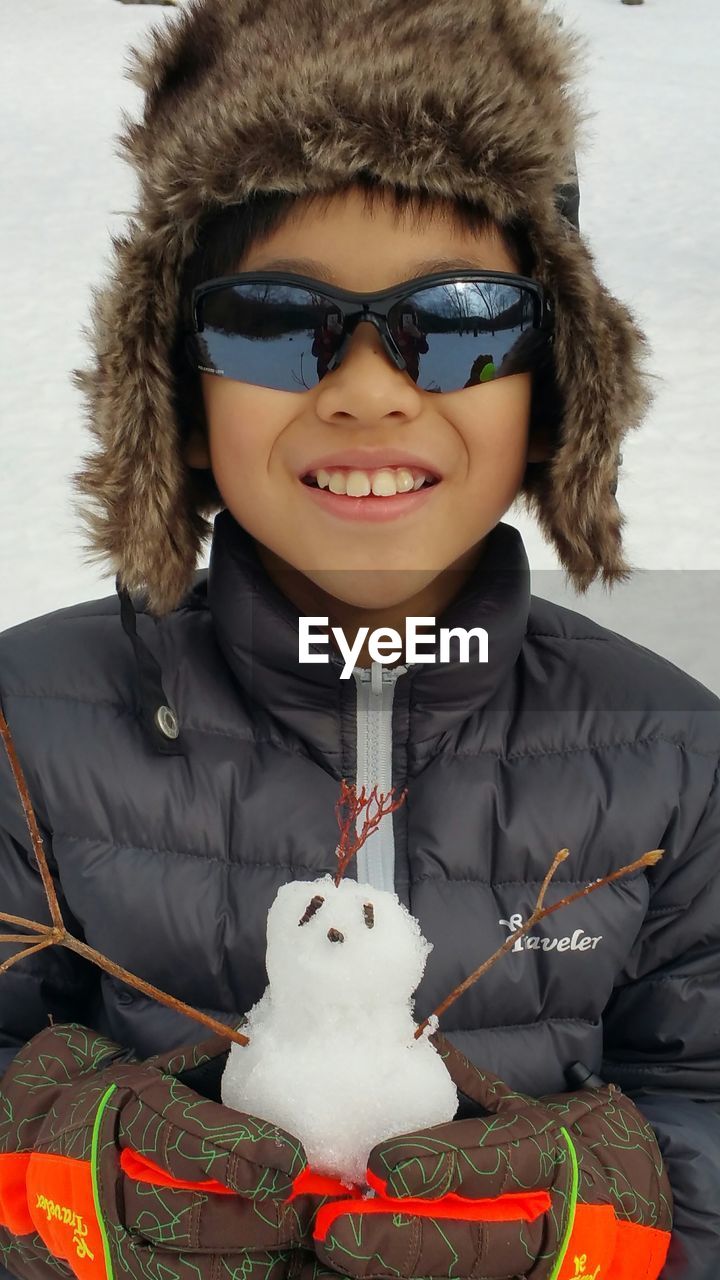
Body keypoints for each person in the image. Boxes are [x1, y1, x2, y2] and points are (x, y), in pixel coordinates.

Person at [0, 1, 717, 1279]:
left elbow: (700, 1087)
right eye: (275, 322)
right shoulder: (25, 723)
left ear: (555, 383)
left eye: (459, 322)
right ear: (176, 378)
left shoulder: (676, 754)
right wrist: (52, 1172)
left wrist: (619, 1221)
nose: (371, 384)